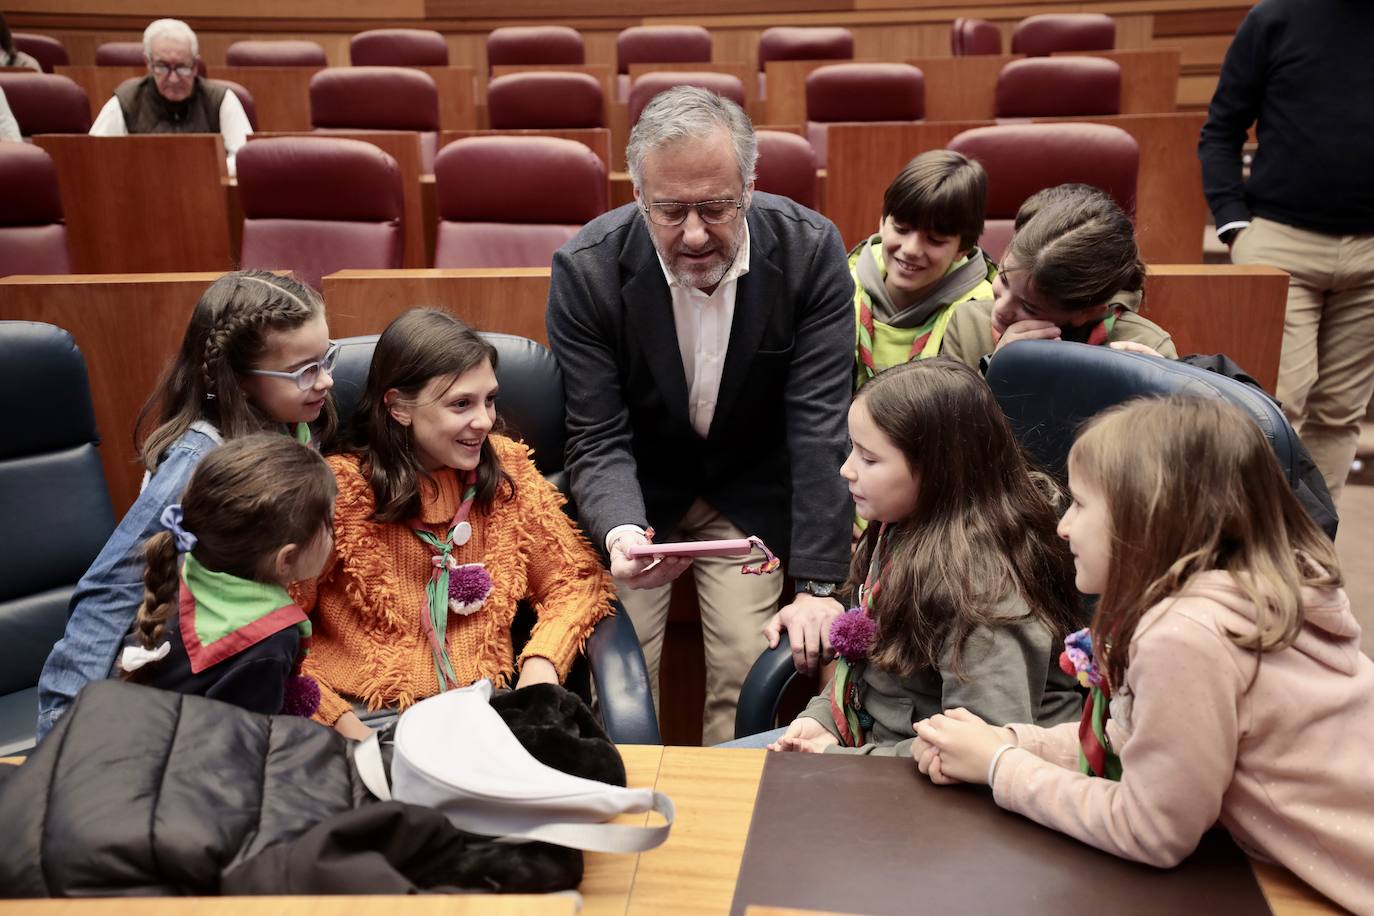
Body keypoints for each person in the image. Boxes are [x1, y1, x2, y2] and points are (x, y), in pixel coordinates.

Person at [912, 397, 1374, 914]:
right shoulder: (1239, 599)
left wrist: (1002, 767)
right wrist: (1010, 740)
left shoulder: (1185, 636)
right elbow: (1138, 744)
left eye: (1082, 505)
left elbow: (1151, 828)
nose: (1063, 526)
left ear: (1147, 522)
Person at [545, 85, 854, 745]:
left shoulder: (809, 252)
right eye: (670, 209)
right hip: (639, 495)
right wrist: (622, 533)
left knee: (749, 674)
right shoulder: (587, 270)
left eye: (715, 207)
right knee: (618, 682)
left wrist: (822, 582)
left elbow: (820, 424)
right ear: (637, 195)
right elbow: (597, 434)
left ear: (749, 186)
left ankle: (728, 826)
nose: (693, 233)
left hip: (749, 493)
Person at [36, 270, 337, 741]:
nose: (327, 380)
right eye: (306, 370)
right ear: (237, 378)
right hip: (182, 689)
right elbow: (109, 592)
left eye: (327, 358)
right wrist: (63, 730)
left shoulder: (293, 419)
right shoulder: (193, 461)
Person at [294, 308, 614, 740]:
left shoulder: (509, 473)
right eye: (460, 404)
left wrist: (541, 665)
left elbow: (576, 581)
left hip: (485, 717)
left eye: (489, 399)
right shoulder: (338, 492)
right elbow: (279, 626)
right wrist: (343, 724)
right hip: (366, 721)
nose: (483, 420)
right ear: (399, 408)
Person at [747, 359, 1082, 755]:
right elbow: (863, 666)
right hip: (873, 750)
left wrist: (841, 759)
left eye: (869, 459)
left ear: (937, 471)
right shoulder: (898, 527)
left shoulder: (983, 587)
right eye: (852, 450)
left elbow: (978, 751)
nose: (845, 470)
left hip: (934, 785)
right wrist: (819, 720)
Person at [1199, 0, 1374, 505]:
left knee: (1340, 414)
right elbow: (1221, 129)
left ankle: (1313, 550)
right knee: (1274, 408)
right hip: (1280, 243)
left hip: (1369, 255)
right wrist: (1234, 225)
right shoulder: (1275, 17)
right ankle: (1258, 547)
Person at [117, 435, 335, 716]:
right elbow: (251, 743)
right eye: (329, 524)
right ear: (287, 558)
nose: (334, 533)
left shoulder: (189, 561)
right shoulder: (269, 640)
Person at [941, 185, 1176, 373]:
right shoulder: (968, 325)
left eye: (1028, 306)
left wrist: (1160, 390)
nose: (1001, 308)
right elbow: (947, 430)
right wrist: (999, 370)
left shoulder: (1146, 345)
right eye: (1003, 278)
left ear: (1088, 312)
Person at [850, 150, 995, 389]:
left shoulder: (980, 313)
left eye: (935, 240)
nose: (911, 249)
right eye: (901, 229)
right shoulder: (841, 283)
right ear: (882, 221)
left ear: (963, 248)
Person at [88, 18, 252, 175]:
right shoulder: (126, 101)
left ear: (195, 65)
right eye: (162, 67)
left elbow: (245, 158)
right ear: (148, 63)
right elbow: (95, 156)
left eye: (182, 67)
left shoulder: (220, 99)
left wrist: (198, 169)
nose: (173, 78)